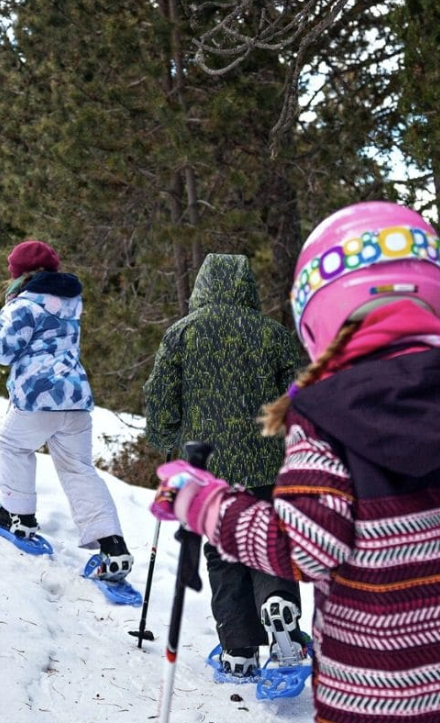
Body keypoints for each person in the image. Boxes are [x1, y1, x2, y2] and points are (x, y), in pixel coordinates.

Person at [151, 202, 440, 723]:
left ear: (316, 314)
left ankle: (240, 637)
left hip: (368, 696)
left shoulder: (324, 418)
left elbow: (300, 547)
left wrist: (202, 501)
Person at [143, 253, 305, 678]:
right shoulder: (272, 334)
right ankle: (279, 604)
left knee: (223, 552)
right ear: (246, 287)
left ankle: (239, 650)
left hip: (208, 467)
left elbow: (160, 397)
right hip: (267, 460)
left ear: (202, 286)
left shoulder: (181, 334)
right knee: (269, 540)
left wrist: (167, 439)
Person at [0, 240, 133, 580]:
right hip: (75, 400)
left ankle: (18, 517)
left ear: (18, 274)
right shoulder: (71, 301)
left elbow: (3, 348)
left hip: (37, 398)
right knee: (78, 468)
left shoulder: (23, 306)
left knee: (14, 445)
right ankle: (113, 546)